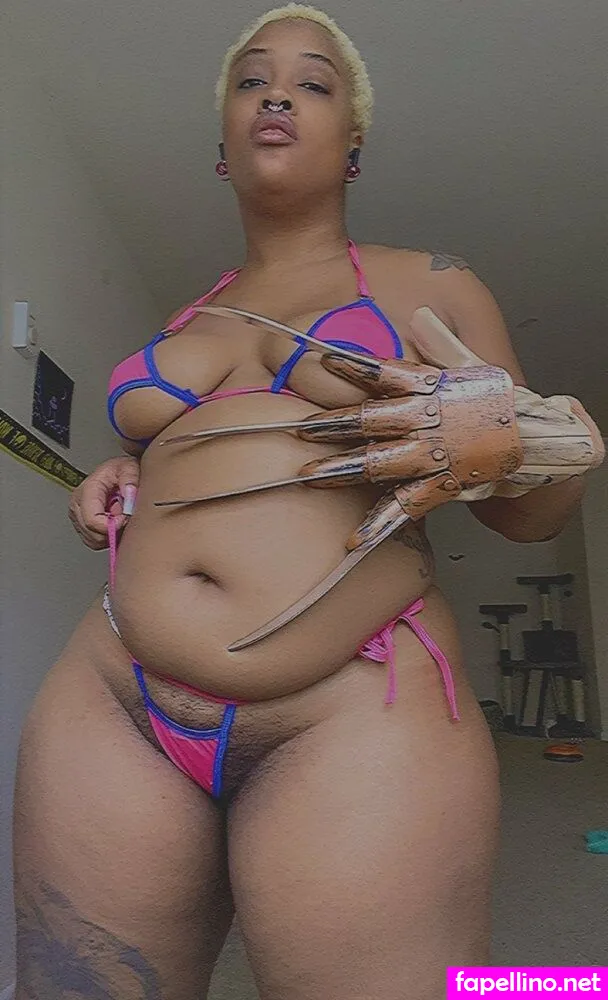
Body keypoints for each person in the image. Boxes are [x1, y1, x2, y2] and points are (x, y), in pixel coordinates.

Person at [13, 6, 600, 999]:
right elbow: (191, 455)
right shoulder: (187, 315)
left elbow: (527, 516)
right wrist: (121, 472)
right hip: (112, 688)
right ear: (222, 145)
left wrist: (533, 445)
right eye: (251, 80)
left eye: (312, 82)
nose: (276, 94)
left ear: (351, 143)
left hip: (349, 702)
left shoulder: (430, 285)